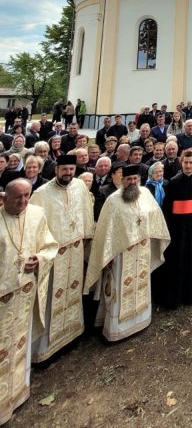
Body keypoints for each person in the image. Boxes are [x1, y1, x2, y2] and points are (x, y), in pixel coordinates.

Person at [84, 165, 170, 340]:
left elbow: (155, 215)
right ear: (122, 180)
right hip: (121, 254)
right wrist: (105, 255)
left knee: (141, 283)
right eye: (129, 179)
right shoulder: (113, 201)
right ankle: (117, 329)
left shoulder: (145, 193)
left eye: (135, 179)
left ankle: (141, 319)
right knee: (119, 288)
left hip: (142, 249)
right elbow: (105, 231)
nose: (132, 183)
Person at [0, 179, 58, 427]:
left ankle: (18, 391)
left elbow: (49, 245)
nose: (23, 201)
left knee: (19, 342)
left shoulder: (37, 214)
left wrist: (40, 259)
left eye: (27, 196)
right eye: (18, 197)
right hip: (3, 297)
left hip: (24, 294)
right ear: (4, 198)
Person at [29, 156, 94, 362]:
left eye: (71, 168)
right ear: (56, 169)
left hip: (75, 250)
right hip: (54, 256)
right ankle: (46, 348)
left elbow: (86, 211)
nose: (68, 172)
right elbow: (33, 227)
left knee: (73, 290)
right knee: (52, 298)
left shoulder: (80, 187)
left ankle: (72, 335)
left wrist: (87, 235)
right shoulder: (41, 194)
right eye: (64, 168)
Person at [160, 150, 192, 308]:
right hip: (178, 228)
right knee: (178, 260)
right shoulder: (173, 181)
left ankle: (191, 294)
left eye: (191, 162)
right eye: (185, 163)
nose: (188, 165)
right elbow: (168, 208)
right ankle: (177, 295)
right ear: (182, 163)